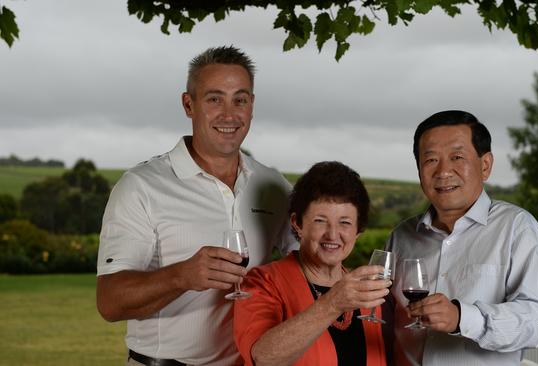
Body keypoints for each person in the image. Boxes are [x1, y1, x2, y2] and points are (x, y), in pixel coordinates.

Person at [96, 46, 297, 365]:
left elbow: (308, 261)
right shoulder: (141, 186)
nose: (229, 115)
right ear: (188, 104)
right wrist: (182, 276)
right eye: (215, 98)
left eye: (240, 100)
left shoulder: (273, 185)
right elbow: (109, 301)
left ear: (252, 105)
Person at [385, 110, 538, 365]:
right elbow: (382, 317)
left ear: (485, 165)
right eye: (430, 160)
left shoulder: (517, 228)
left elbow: (537, 321)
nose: (443, 172)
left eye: (457, 157)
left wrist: (462, 317)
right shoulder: (401, 236)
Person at [233, 161, 389, 366]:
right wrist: (332, 303)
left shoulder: (366, 293)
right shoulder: (262, 282)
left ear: (358, 231)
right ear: (297, 224)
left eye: (345, 222)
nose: (333, 234)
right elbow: (262, 358)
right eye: (320, 220)